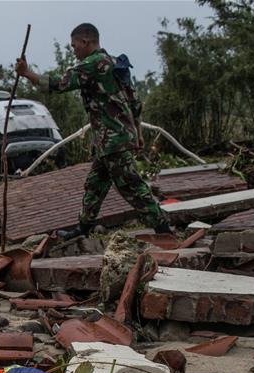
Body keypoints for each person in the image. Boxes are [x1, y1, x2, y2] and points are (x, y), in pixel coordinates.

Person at [16, 22, 172, 238]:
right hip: (109, 141)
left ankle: (164, 230)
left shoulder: (93, 63)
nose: (73, 50)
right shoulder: (115, 63)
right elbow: (134, 101)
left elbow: (58, 84)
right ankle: (83, 229)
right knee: (95, 186)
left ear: (85, 41)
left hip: (112, 141)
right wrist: (137, 133)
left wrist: (25, 73)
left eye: (74, 46)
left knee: (132, 187)